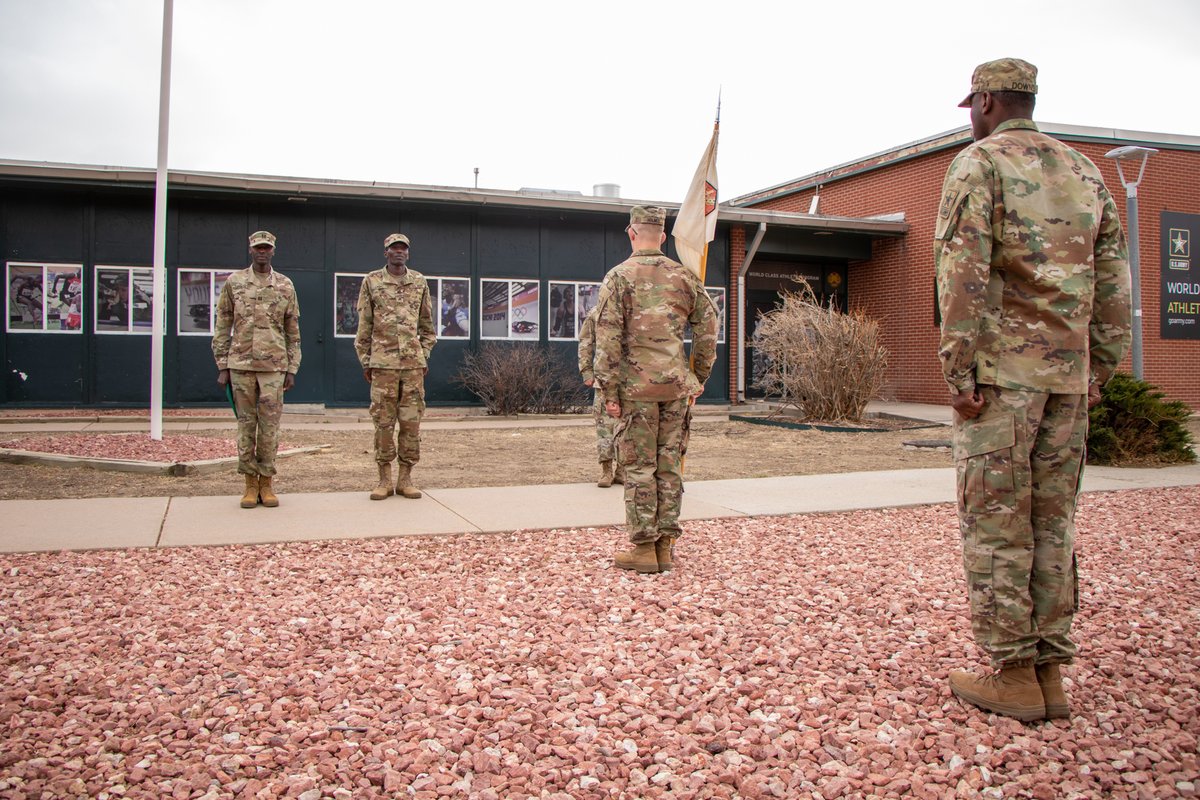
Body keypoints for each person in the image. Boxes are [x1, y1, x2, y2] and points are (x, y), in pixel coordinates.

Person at [935, 58, 1132, 721]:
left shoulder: (980, 164)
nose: (972, 116)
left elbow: (961, 271)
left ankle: (1014, 675)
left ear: (986, 102)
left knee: (997, 523)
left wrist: (958, 371)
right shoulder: (1085, 171)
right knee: (1053, 521)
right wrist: (1099, 369)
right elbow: (1115, 279)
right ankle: (1050, 674)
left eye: (972, 105)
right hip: (1067, 379)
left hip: (1002, 380)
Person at [593, 206, 718, 573]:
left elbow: (607, 339)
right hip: (676, 388)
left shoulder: (618, 277)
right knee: (669, 467)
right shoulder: (685, 277)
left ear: (631, 233)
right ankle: (665, 546)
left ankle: (645, 549)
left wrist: (608, 391)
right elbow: (709, 327)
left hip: (635, 391)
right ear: (663, 237)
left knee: (638, 467)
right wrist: (699, 376)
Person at [212, 230, 302, 509]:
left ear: (273, 251)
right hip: (241, 366)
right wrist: (222, 364)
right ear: (251, 250)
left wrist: (292, 367)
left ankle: (267, 483)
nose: (262, 252)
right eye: (258, 248)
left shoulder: (285, 285)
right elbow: (223, 324)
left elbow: (292, 329)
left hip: (273, 368)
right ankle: (250, 484)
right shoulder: (235, 282)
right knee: (246, 426)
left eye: (266, 248)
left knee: (270, 428)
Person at [355, 233, 437, 501]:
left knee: (411, 423)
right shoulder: (372, 281)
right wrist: (366, 360)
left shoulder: (419, 282)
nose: (399, 252)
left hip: (412, 367)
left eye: (403, 248)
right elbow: (364, 325)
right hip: (383, 365)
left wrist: (423, 355)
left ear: (408, 253)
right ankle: (384, 479)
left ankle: (405, 479)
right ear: (386, 253)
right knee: (383, 423)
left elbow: (427, 326)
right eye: (394, 248)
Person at [577, 305, 621, 488]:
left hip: (631, 381)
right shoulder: (597, 312)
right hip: (604, 379)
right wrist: (586, 371)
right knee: (604, 428)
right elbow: (585, 342)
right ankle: (606, 470)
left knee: (629, 427)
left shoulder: (633, 308)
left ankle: (622, 470)